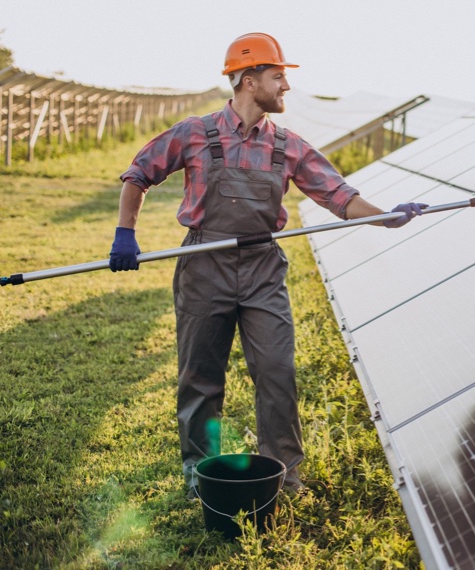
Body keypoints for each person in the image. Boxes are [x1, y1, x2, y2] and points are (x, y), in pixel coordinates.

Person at [108, 32, 426, 497]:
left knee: (276, 373)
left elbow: (338, 195)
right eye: (278, 76)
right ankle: (202, 474)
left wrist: (385, 218)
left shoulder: (288, 145)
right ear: (249, 79)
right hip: (204, 263)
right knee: (201, 378)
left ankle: (284, 477)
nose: (286, 87)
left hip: (262, 269)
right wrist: (125, 234)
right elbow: (138, 174)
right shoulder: (195, 133)